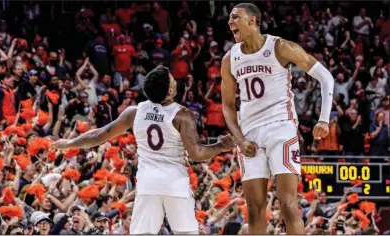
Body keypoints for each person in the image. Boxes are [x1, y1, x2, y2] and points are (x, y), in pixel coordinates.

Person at [53, 65, 235, 234]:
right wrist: (221, 146)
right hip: (175, 183)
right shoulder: (181, 114)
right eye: (172, 79)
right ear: (170, 91)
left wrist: (69, 143)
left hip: (148, 183)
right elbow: (197, 154)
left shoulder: (134, 112)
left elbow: (99, 135)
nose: (174, 80)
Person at [221, 3, 334, 234]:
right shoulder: (229, 58)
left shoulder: (279, 47)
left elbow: (326, 77)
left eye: (236, 17)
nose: (230, 22)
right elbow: (228, 106)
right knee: (253, 209)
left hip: (280, 128)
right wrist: (239, 139)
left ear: (253, 20)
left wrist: (323, 119)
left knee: (288, 204)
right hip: (249, 134)